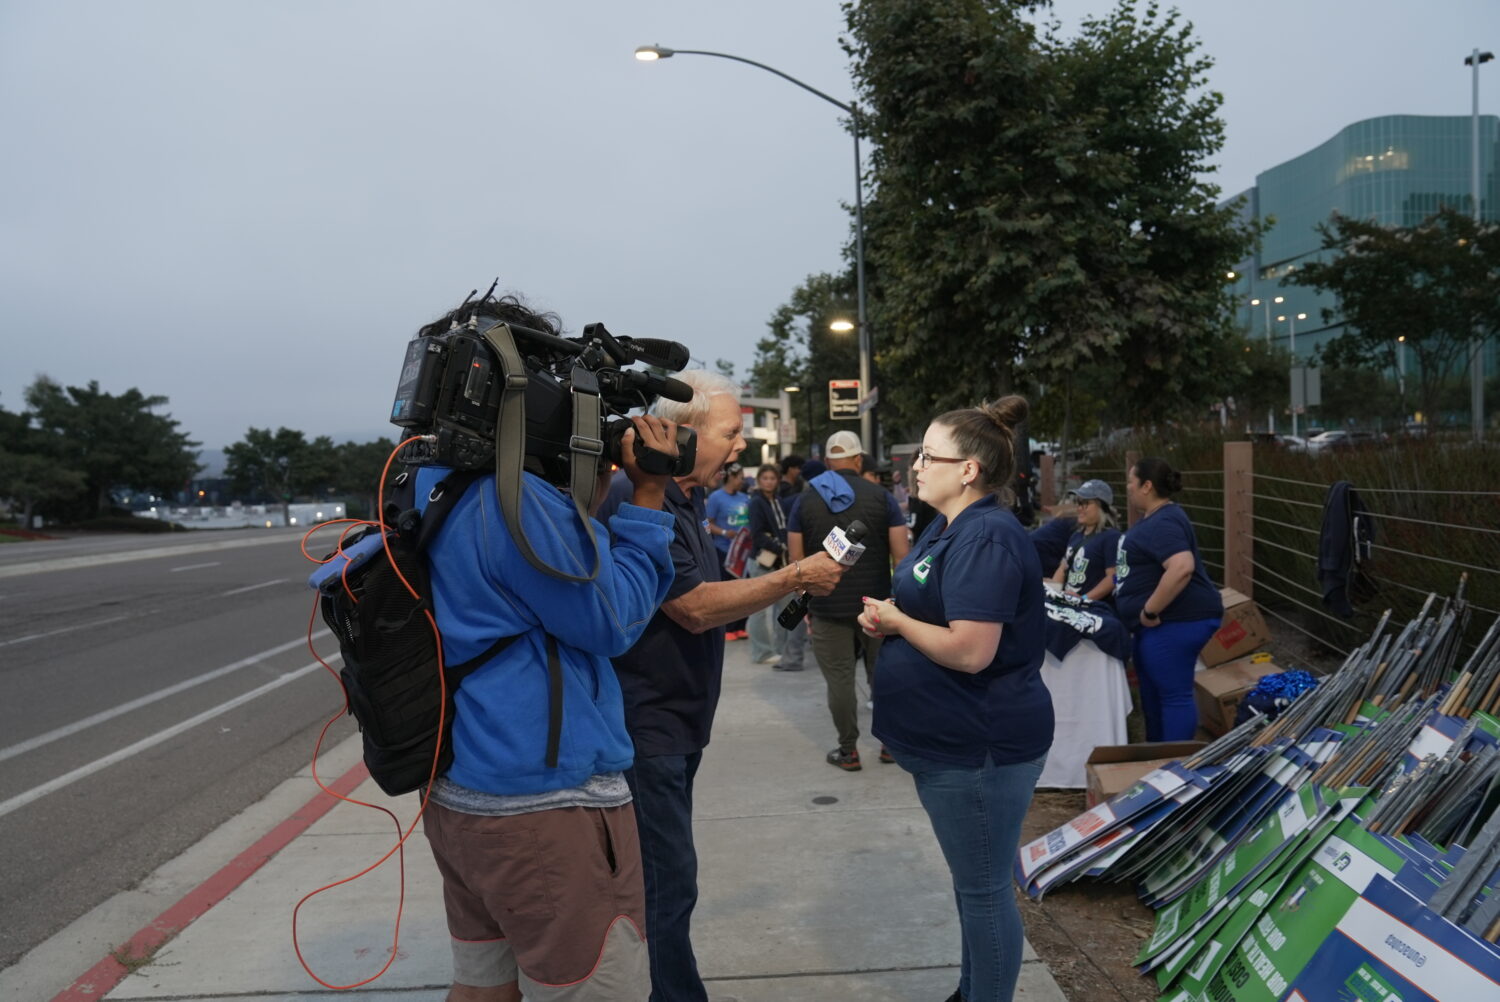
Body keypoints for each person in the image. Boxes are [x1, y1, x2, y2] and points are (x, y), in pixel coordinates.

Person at [413, 293, 681, 1002]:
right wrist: (649, 494)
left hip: (461, 794)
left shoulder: (427, 483)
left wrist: (579, 500)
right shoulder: (517, 502)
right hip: (543, 808)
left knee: (482, 989)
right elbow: (612, 619)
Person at [600, 370, 845, 1002]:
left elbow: (706, 592)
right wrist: (795, 577)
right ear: (680, 434)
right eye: (732, 433)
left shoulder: (684, 498)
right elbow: (693, 607)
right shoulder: (639, 499)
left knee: (667, 881)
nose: (742, 446)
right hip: (647, 727)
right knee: (666, 884)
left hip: (677, 723)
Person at [858, 396, 1051, 1002]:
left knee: (985, 893)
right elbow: (932, 609)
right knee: (974, 887)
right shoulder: (947, 526)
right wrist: (893, 618)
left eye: (927, 456)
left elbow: (970, 651)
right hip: (952, 742)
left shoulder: (985, 537)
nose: (915, 467)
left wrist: (897, 622)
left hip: (979, 746)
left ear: (968, 469)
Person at [788, 430, 910, 771]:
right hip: (878, 607)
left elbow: (796, 562)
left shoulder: (805, 500)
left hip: (827, 606)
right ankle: (889, 746)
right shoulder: (882, 497)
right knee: (883, 676)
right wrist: (899, 602)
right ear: (858, 460)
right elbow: (902, 556)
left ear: (828, 462)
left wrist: (804, 603)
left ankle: (848, 751)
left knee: (840, 680)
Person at [1114, 456, 1225, 742]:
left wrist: (1149, 611)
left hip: (1175, 621)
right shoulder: (1157, 518)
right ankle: (1157, 756)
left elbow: (1181, 567)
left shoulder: (1164, 521)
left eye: (1131, 481)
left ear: (1147, 486)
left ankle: (1175, 760)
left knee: (1174, 695)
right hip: (1161, 625)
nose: (1127, 487)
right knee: (1155, 696)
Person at [746, 463, 792, 665]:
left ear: (778, 480)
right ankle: (762, 653)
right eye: (765, 478)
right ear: (759, 480)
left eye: (772, 478)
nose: (769, 482)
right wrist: (780, 547)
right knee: (758, 610)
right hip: (762, 561)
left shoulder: (778, 500)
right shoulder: (756, 502)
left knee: (785, 606)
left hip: (780, 561)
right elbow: (756, 535)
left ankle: (783, 649)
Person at [1049, 479, 1121, 602]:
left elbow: (1114, 578)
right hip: (1068, 603)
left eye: (1085, 503)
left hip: (1094, 607)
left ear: (1101, 506)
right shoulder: (1076, 536)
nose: (1079, 508)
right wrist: (1052, 593)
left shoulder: (1111, 537)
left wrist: (1083, 599)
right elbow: (1062, 569)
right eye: (1078, 502)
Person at [705, 463, 750, 640]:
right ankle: (727, 628)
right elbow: (708, 523)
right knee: (728, 590)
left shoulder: (745, 498)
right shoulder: (716, 497)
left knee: (744, 589)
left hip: (742, 551)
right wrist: (724, 532)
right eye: (740, 477)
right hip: (724, 550)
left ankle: (741, 626)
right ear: (731, 477)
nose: (742, 481)